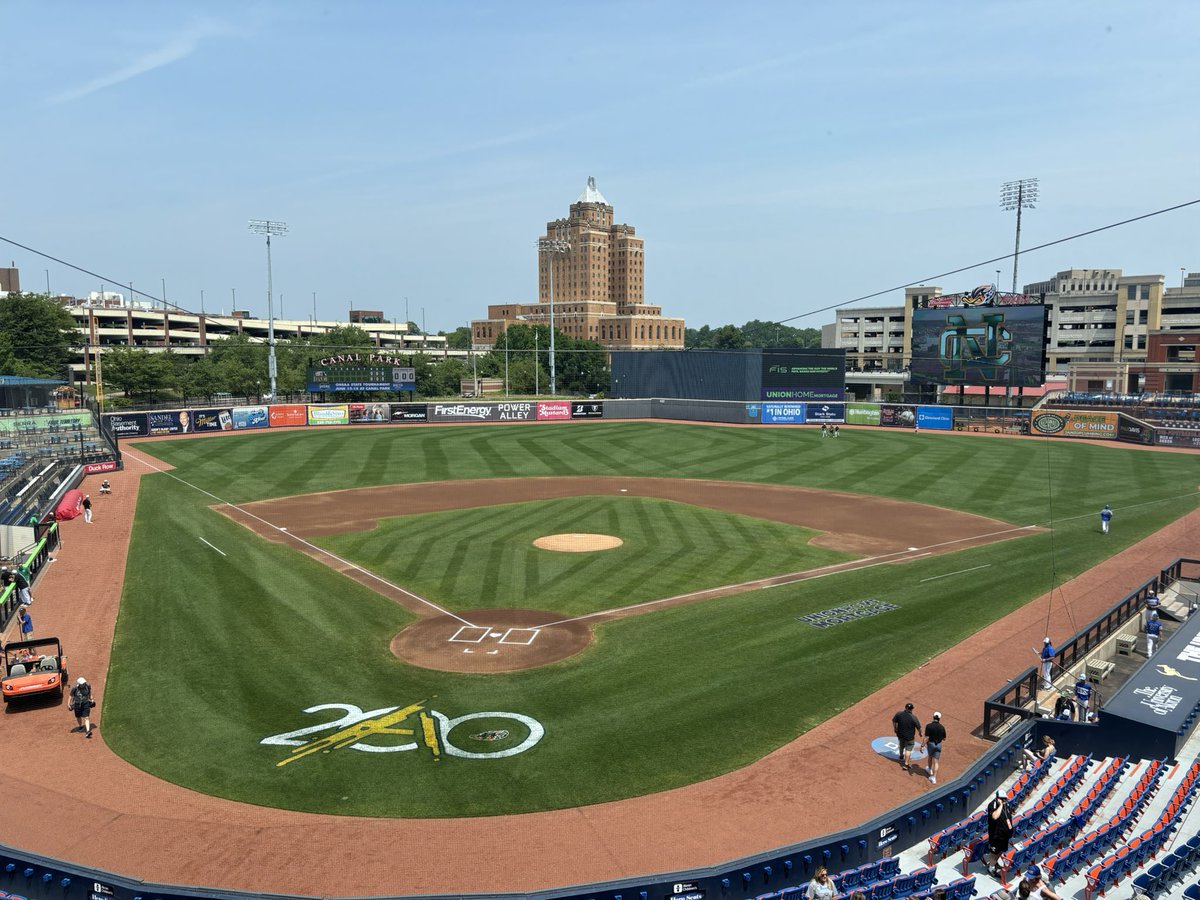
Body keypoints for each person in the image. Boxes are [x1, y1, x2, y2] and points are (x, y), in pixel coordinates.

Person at [984, 793, 1014, 877]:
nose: (1004, 800)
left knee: (1001, 850)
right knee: (994, 853)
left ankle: (994, 863)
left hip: (1005, 834)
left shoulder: (1006, 804)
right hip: (996, 835)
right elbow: (995, 816)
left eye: (1005, 799)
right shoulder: (992, 805)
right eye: (1002, 799)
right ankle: (991, 868)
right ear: (997, 798)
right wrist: (1000, 805)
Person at [892, 702, 922, 770]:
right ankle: (906, 764)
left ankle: (901, 756)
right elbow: (918, 727)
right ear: (911, 709)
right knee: (908, 749)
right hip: (909, 737)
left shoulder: (899, 714)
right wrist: (920, 733)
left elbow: (894, 721)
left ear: (905, 708)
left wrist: (895, 728)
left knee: (901, 744)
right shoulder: (914, 717)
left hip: (900, 734)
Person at [923, 710, 947, 785]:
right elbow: (944, 738)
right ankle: (934, 778)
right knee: (936, 761)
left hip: (931, 744)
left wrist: (922, 745)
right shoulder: (942, 727)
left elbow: (927, 737)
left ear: (933, 717)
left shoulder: (928, 726)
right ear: (939, 718)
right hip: (938, 745)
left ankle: (929, 769)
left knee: (930, 757)